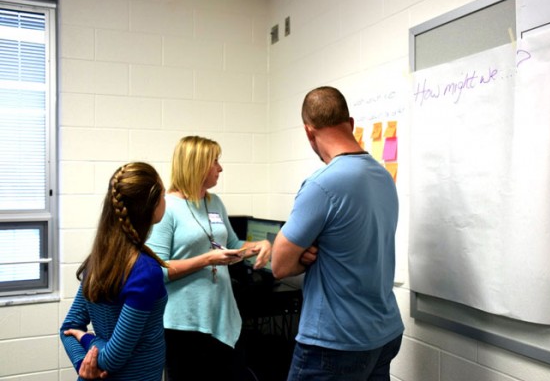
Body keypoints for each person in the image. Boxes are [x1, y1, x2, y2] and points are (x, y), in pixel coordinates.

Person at [271, 86, 405, 380]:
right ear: (351, 123)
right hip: (384, 334)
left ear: (308, 131)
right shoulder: (383, 177)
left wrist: (303, 256)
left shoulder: (322, 184)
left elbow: (279, 265)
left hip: (336, 342)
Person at [146, 135, 272, 381]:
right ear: (196, 165)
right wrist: (206, 260)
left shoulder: (214, 202)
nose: (220, 168)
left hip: (222, 316)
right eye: (215, 161)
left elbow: (233, 246)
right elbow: (155, 271)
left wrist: (262, 244)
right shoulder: (167, 207)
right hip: (184, 324)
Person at [60, 162, 168, 381]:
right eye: (164, 195)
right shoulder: (145, 271)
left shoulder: (99, 259)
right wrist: (85, 339)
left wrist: (84, 365)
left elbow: (67, 329)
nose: (166, 201)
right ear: (152, 204)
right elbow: (111, 357)